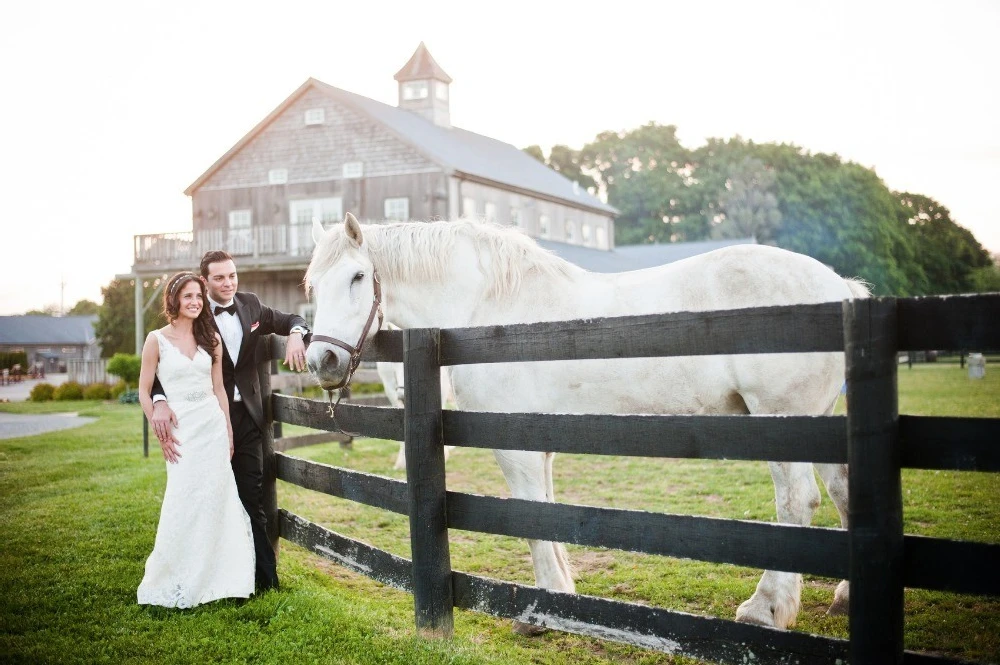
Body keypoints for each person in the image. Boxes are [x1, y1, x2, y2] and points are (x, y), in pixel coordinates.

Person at [150, 250, 309, 592]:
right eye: (219, 278)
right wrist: (160, 399)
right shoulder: (193, 308)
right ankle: (206, 574)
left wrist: (296, 332)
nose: (228, 283)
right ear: (205, 281)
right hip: (206, 420)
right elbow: (171, 359)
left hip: (249, 417)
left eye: (232, 275)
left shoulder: (250, 304)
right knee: (212, 498)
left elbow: (288, 318)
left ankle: (264, 580)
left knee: (252, 497)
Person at [137, 271, 255, 607]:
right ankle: (179, 574)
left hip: (212, 427)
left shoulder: (211, 340)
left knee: (217, 499)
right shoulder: (155, 340)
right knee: (183, 497)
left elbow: (219, 389)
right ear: (174, 300)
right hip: (181, 431)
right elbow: (144, 391)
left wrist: (228, 430)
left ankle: (223, 576)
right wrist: (156, 419)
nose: (194, 302)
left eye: (199, 297)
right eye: (188, 296)